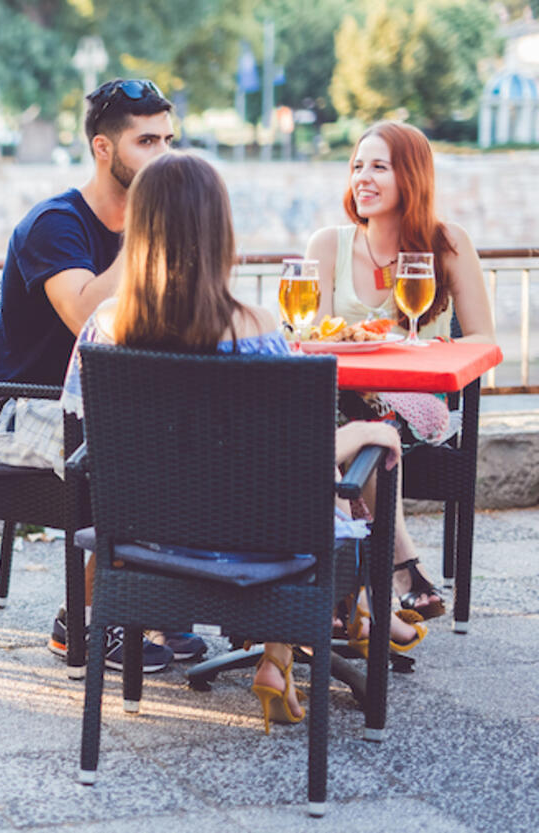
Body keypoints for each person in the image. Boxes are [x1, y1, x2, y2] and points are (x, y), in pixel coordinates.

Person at [61, 151, 427, 731]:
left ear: (139, 229)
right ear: (219, 231)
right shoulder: (256, 328)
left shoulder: (103, 327)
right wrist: (363, 431)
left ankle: (295, 647)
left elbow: (87, 438)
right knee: (326, 493)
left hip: (147, 547)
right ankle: (297, 644)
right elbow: (293, 453)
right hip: (256, 550)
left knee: (298, 493)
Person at [0, 78, 185, 672]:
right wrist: (147, 231)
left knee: (199, 436)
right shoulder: (55, 224)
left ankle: (161, 603)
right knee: (145, 453)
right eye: (147, 142)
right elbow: (89, 315)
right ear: (103, 149)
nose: (163, 155)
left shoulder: (156, 229)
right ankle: (84, 619)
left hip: (111, 404)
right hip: (19, 409)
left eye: (168, 141)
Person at [304, 121, 496, 622]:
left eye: (379, 167)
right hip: (339, 399)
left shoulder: (447, 243)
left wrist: (420, 347)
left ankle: (350, 586)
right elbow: (312, 338)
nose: (362, 178)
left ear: (411, 176)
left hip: (417, 401)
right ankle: (396, 571)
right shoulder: (328, 245)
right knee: (349, 422)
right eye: (357, 166)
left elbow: (483, 338)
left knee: (358, 426)